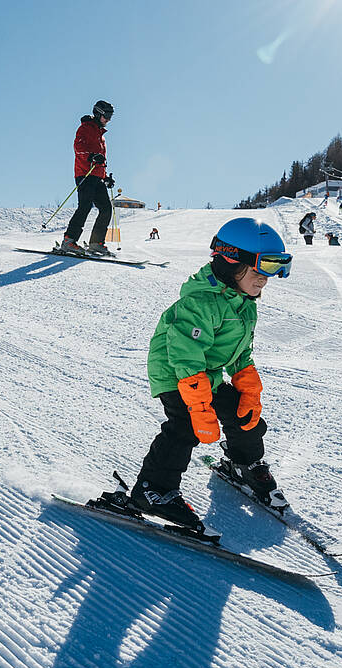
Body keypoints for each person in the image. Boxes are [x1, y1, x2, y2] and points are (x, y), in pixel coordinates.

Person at [97, 217, 291, 535]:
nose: (265, 280)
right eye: (260, 270)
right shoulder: (199, 303)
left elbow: (240, 353)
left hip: (206, 376)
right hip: (176, 374)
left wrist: (248, 385)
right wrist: (200, 406)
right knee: (186, 425)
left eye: (273, 270)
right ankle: (153, 491)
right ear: (231, 264)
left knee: (244, 415)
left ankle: (245, 464)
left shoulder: (244, 304)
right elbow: (186, 357)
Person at [57, 100, 116, 257]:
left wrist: (105, 178)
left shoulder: (100, 136)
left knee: (106, 208)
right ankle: (69, 241)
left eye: (111, 116)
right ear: (98, 114)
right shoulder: (85, 129)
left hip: (97, 176)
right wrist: (91, 156)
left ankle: (96, 243)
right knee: (85, 206)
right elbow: (79, 148)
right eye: (107, 116)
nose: (109, 120)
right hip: (85, 173)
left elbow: (100, 159)